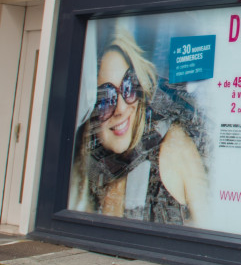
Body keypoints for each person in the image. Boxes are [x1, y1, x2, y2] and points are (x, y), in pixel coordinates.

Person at [69, 28, 209, 224]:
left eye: (128, 86)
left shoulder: (174, 148)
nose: (121, 108)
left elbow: (208, 227)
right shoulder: (90, 168)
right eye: (104, 99)